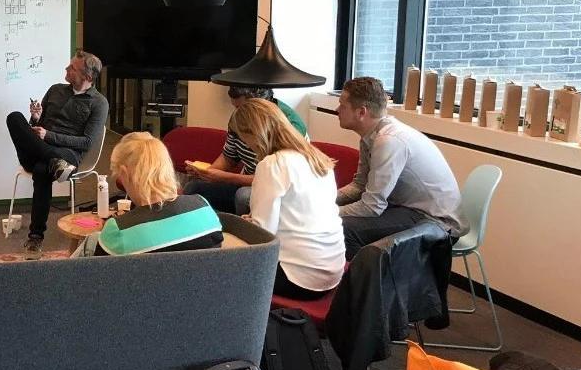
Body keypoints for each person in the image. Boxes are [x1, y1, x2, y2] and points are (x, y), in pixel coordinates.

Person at [335, 77, 466, 260]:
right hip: (408, 210)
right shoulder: (371, 136)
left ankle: (376, 277)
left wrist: (324, 212)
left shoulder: (388, 141)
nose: (337, 110)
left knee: (340, 228)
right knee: (335, 220)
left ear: (361, 112)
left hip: (437, 223)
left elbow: (372, 207)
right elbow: (359, 186)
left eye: (342, 105)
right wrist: (324, 200)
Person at [229, 99, 345, 298]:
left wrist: (241, 227)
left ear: (253, 134)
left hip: (297, 278)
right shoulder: (317, 158)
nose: (245, 144)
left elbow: (262, 235)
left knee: (216, 261)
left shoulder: (272, 165)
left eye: (243, 137)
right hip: (332, 271)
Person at [5, 50, 109, 257]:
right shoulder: (55, 90)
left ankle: (35, 237)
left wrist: (49, 135)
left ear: (88, 76)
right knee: (14, 117)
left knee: (42, 170)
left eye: (72, 68)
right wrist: (36, 118)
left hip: (68, 155)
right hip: (45, 154)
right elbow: (38, 125)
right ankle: (54, 161)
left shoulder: (99, 103)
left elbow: (87, 142)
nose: (66, 69)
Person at [81, 132, 222, 256]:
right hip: (200, 279)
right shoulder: (204, 209)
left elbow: (94, 274)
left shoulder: (118, 231)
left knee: (92, 241)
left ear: (125, 173)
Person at [181, 85, 308, 216]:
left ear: (258, 106)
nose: (237, 113)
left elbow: (274, 181)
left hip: (273, 189)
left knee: (243, 196)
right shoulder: (238, 117)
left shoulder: (290, 126)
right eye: (235, 107)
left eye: (241, 108)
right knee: (194, 187)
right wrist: (207, 173)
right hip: (244, 182)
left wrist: (225, 178)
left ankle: (239, 225)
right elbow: (229, 157)